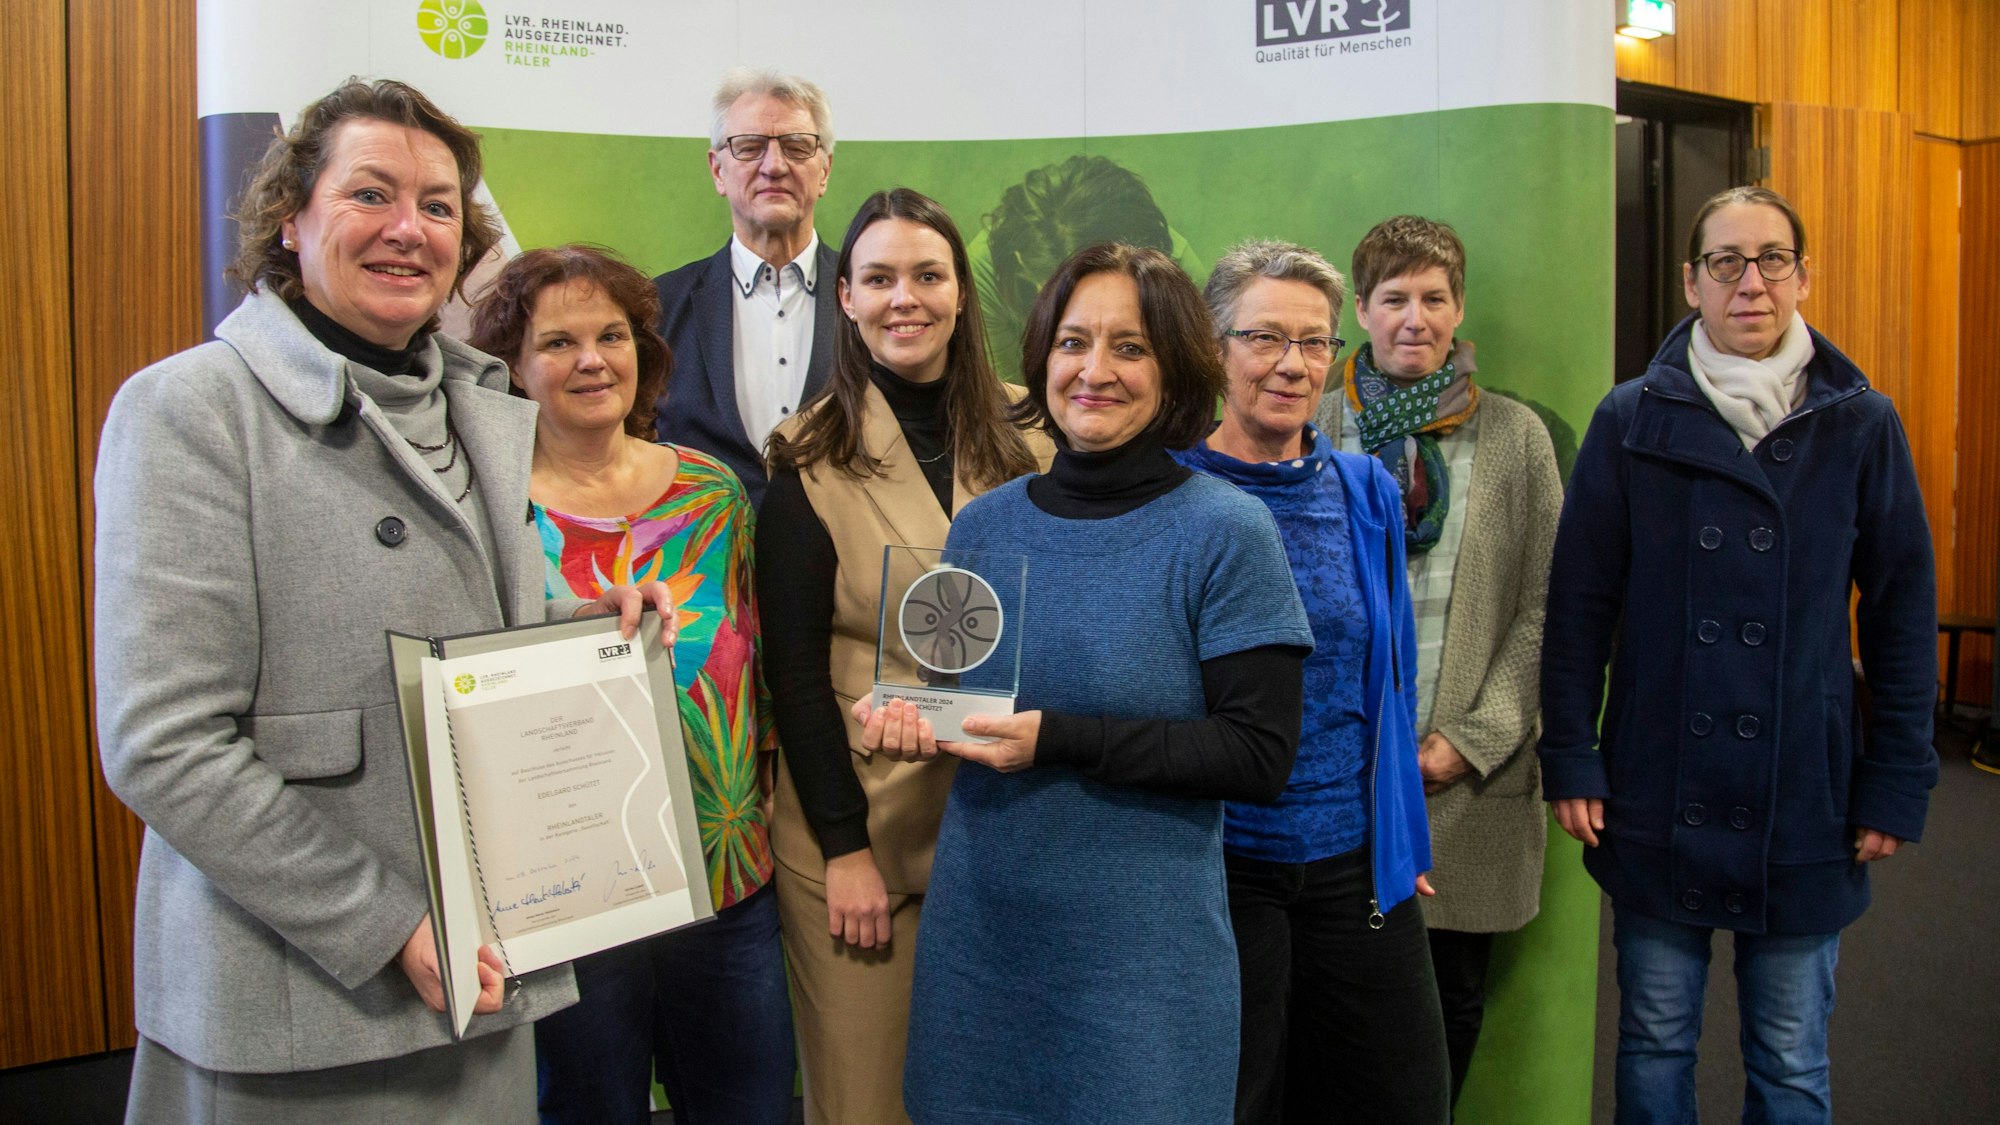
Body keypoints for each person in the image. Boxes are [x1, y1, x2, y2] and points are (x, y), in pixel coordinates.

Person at [93, 79, 668, 1123]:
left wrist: (582, 638)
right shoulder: (190, 410)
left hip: (481, 972)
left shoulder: (479, 404)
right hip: (306, 998)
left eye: (439, 206)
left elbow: (463, 644)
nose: (410, 228)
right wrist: (386, 920)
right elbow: (160, 741)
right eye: (370, 194)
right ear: (290, 217)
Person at [1539, 186, 1938, 1124]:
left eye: (1771, 260)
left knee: (1791, 1056)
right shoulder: (1630, 417)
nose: (1750, 282)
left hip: (1805, 784)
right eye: (1726, 262)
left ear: (1804, 276)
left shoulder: (1861, 422)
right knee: (1653, 1039)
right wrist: (1572, 754)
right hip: (1656, 777)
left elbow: (1901, 614)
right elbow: (1579, 604)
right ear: (1693, 281)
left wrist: (1896, 778)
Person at [897, 242, 1316, 1124]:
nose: (1094, 371)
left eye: (1130, 347)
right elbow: (955, 705)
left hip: (1143, 970)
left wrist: (1059, 739)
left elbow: (1258, 754)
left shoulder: (1226, 531)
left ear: (1176, 370)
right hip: (982, 950)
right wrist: (903, 715)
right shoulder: (982, 526)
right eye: (1072, 342)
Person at [465, 245, 794, 1124]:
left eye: (612, 336)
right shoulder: (485, 511)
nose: (592, 360)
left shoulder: (713, 492)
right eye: (558, 342)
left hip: (726, 879)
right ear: (513, 366)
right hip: (571, 895)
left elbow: (756, 675)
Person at [756, 188, 1047, 1125]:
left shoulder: (1038, 435)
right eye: (878, 278)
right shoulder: (807, 458)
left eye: (928, 275)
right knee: (867, 1102)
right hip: (863, 832)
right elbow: (795, 677)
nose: (904, 299)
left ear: (962, 293)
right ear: (844, 297)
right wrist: (845, 850)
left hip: (1008, 825)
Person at [1176, 238, 1449, 1123]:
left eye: (1315, 341)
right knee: (1236, 1104)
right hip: (1220, 868)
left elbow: (1390, 680)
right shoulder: (1170, 495)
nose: (1292, 364)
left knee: (1402, 1102)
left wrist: (1401, 836)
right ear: (1214, 348)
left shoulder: (1366, 491)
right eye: (1264, 337)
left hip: (1354, 864)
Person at [1315, 216, 1561, 1109]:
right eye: (1394, 298)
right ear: (1362, 310)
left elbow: (1549, 605)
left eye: (1434, 297)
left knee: (1449, 1005)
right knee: (1326, 1009)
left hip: (1460, 784)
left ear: (1459, 309)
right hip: (1334, 780)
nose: (1414, 318)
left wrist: (1472, 738)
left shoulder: (1517, 438)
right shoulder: (1313, 426)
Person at [653, 67, 840, 503]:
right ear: (718, 170)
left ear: (825, 170)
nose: (774, 166)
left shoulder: (871, 302)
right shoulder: (659, 305)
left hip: (839, 547)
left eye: (797, 146)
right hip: (701, 544)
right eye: (750, 147)